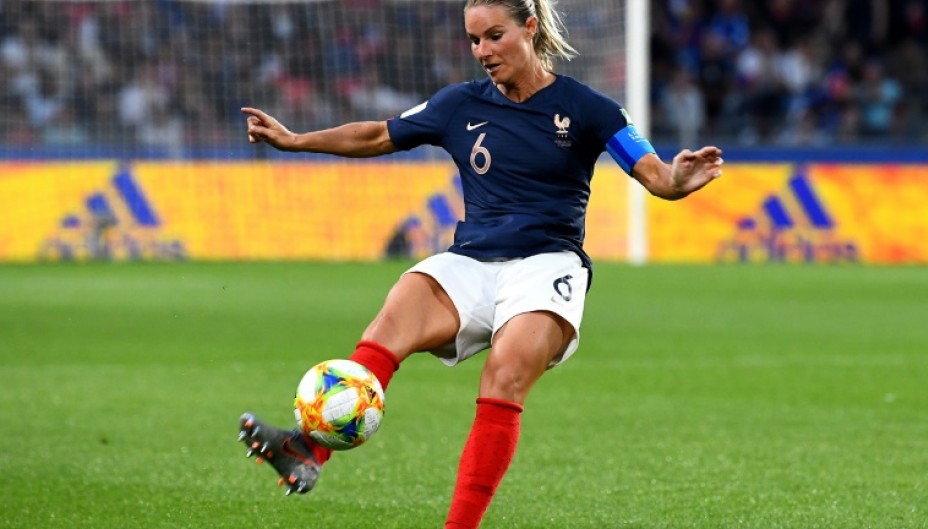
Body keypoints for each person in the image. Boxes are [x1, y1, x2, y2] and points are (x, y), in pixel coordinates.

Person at [238, 0, 723, 527]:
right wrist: (296, 140)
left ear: (530, 28)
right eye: (474, 40)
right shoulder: (459, 104)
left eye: (494, 36)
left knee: (504, 375)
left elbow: (655, 174)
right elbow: (378, 134)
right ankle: (307, 449)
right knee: (394, 316)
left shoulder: (589, 108)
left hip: (547, 265)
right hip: (471, 260)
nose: (482, 51)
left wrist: (677, 180)